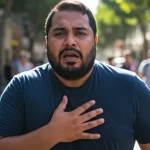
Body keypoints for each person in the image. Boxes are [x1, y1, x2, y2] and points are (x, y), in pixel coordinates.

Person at [0, 1, 150, 150]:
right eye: (59, 33)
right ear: (47, 42)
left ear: (95, 41)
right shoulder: (21, 87)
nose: (70, 42)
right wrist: (50, 135)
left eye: (80, 33)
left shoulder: (131, 88)